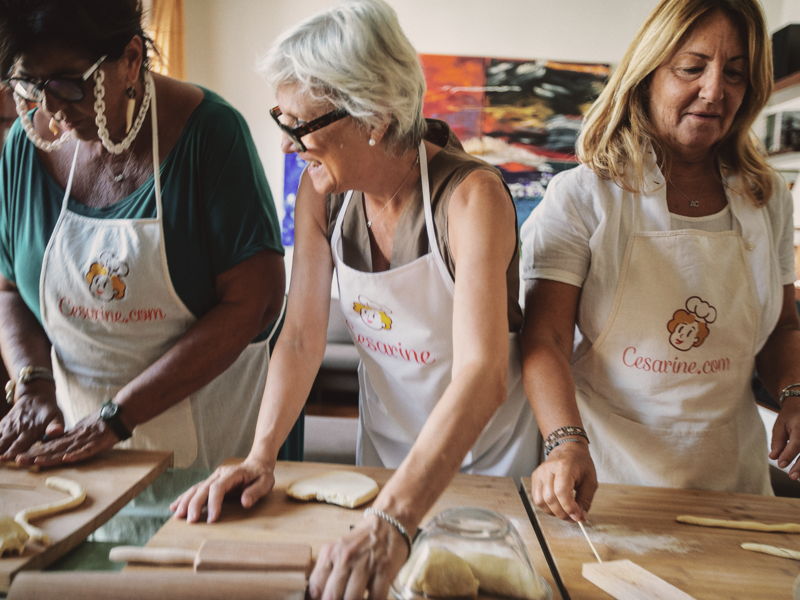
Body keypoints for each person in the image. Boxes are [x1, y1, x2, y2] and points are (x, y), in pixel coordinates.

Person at [171, 0, 539, 595]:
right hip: (381, 469)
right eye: (281, 120)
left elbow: (483, 374)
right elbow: (299, 337)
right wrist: (261, 455)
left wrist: (395, 517)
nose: (290, 146)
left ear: (375, 115)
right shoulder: (321, 194)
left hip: (486, 472)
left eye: (302, 125)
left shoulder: (472, 199)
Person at [520, 0, 800, 524]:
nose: (715, 90)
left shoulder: (766, 198)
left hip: (733, 481)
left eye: (734, 73)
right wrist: (564, 442)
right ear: (647, 75)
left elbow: (783, 325)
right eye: (692, 68)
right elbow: (545, 339)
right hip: (607, 482)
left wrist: (794, 393)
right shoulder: (584, 196)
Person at [0, 0, 287, 471]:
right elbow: (7, 287)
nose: (50, 110)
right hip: (74, 446)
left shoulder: (211, 136)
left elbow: (254, 306)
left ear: (131, 58)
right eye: (30, 85)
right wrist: (32, 384)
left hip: (205, 448)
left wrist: (118, 417)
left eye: (69, 83)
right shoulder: (26, 147)